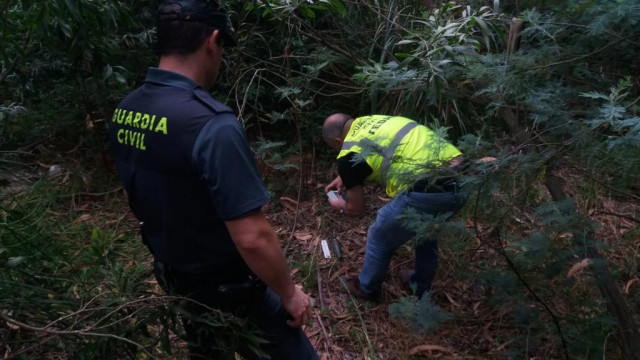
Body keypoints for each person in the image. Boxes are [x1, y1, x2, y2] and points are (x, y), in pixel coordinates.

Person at [108, 1, 318, 359]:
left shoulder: (127, 109)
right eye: (222, 47)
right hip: (229, 285)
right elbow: (252, 237)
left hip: (177, 278)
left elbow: (139, 191)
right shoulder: (211, 124)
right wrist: (289, 294)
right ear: (213, 40)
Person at [323, 113, 466, 300]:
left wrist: (340, 205)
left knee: (379, 235)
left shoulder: (347, 155)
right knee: (425, 229)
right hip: (463, 178)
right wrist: (347, 177)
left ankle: (366, 288)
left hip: (427, 189)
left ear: (337, 141)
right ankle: (419, 285)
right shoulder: (375, 120)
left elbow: (356, 209)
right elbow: (380, 149)